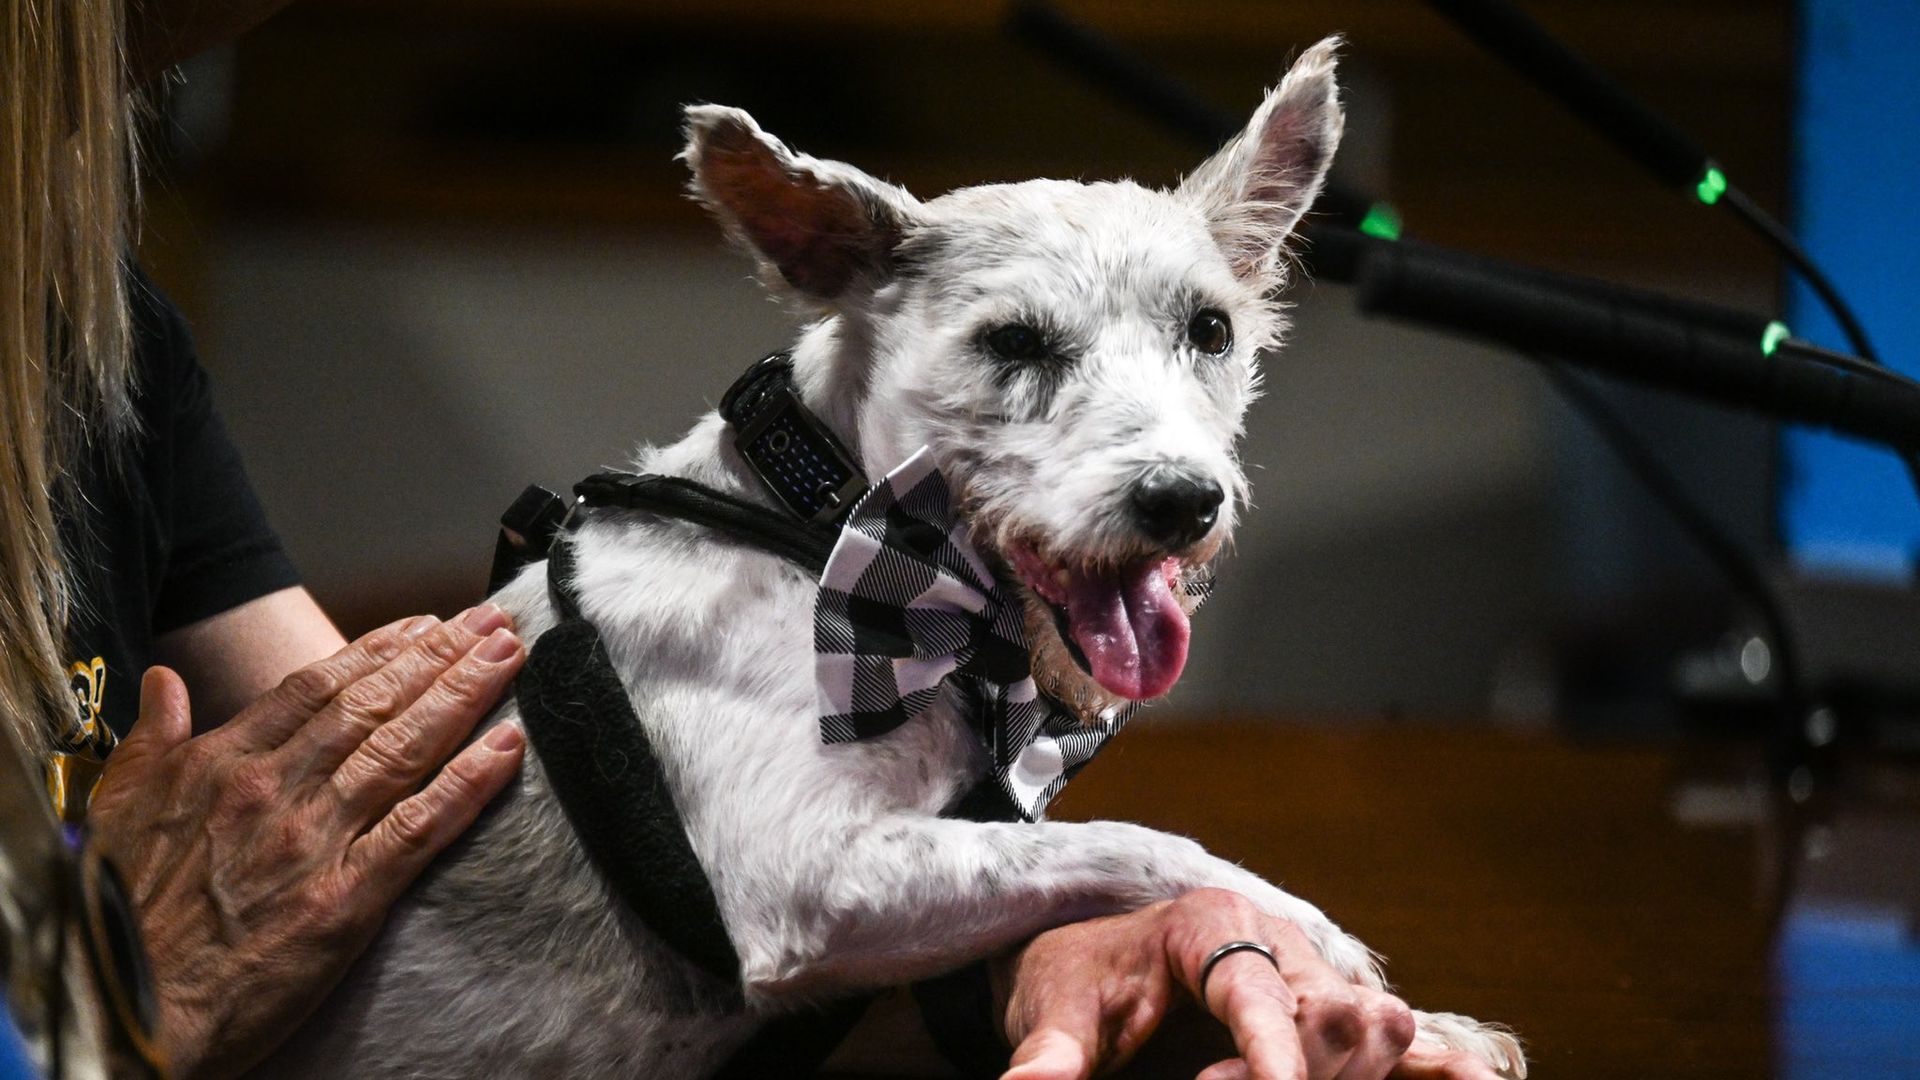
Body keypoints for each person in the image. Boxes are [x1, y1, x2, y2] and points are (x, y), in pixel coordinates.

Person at [0, 0, 1497, 1075]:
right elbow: (784, 906)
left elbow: (374, 814)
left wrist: (1047, 966)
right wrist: (90, 1005)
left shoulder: (92, 344)